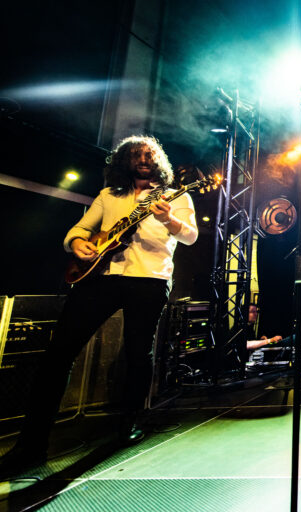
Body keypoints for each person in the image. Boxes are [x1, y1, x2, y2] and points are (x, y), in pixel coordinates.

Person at [0, 135, 198, 475]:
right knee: (58, 354)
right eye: (136, 155)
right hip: (100, 278)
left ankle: (131, 422)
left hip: (149, 280)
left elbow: (190, 236)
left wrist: (168, 219)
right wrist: (77, 244)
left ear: (158, 161)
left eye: (149, 154)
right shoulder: (108, 195)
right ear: (124, 160)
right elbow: (79, 230)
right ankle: (30, 444)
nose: (143, 159)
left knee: (138, 353)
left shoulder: (175, 196)